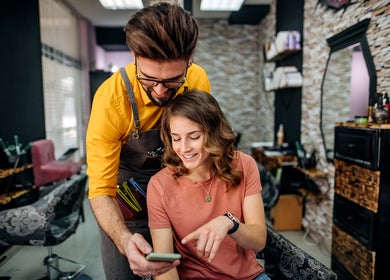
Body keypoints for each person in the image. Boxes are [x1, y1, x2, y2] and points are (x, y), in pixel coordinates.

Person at [85, 2, 210, 279]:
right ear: (134, 55)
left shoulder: (198, 79)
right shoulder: (110, 100)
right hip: (127, 200)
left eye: (173, 80)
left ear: (190, 58)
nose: (161, 91)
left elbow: (203, 151)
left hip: (179, 191)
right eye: (150, 80)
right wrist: (124, 240)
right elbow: (100, 189)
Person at [147, 90, 269, 280]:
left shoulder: (244, 164)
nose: (184, 148)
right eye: (176, 138)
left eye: (194, 137)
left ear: (213, 132)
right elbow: (165, 266)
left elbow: (259, 241)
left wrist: (230, 223)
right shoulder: (160, 185)